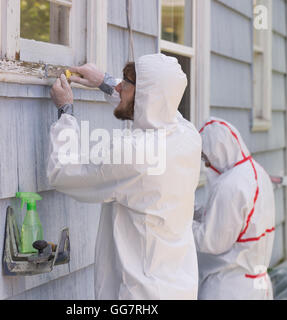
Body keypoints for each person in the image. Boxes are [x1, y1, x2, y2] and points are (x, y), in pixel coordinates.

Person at [47, 54, 202, 299]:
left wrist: (65, 112)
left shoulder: (135, 154)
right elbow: (157, 106)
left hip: (141, 294)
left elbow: (64, 173)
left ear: (144, 95)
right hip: (179, 288)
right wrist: (104, 81)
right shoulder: (188, 136)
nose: (119, 86)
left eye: (125, 84)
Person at [193, 117, 276, 300]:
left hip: (229, 287)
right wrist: (196, 212)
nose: (206, 164)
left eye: (206, 157)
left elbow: (212, 241)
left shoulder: (230, 185)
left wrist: (178, 220)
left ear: (218, 150)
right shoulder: (256, 172)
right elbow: (232, 221)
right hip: (257, 283)